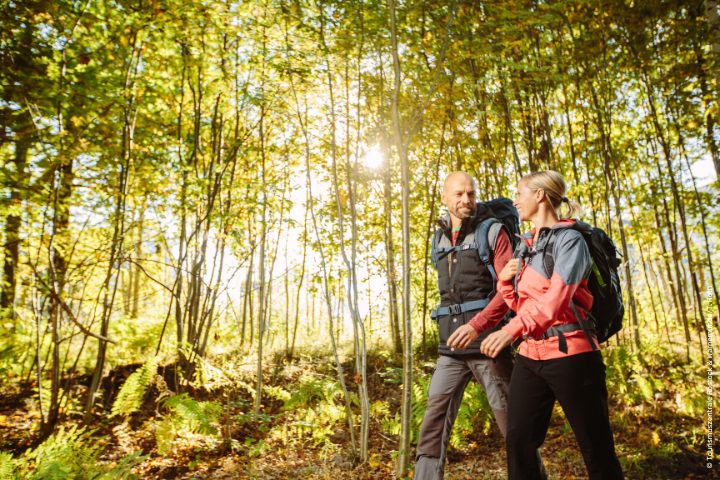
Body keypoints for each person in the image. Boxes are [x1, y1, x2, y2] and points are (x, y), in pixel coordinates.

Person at [478, 170, 624, 480]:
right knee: (519, 441)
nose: (516, 201)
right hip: (532, 358)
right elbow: (523, 304)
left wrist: (510, 330)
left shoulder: (570, 241)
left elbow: (557, 300)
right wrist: (505, 283)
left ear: (540, 195)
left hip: (574, 356)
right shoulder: (526, 245)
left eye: (521, 194)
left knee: (596, 449)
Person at [414, 171, 514, 480]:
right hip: (451, 348)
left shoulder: (493, 232)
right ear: (444, 197)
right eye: (458, 194)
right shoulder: (438, 237)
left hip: (489, 346)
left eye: (470, 193)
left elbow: (509, 292)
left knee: (512, 426)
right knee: (433, 423)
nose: (465, 199)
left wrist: (480, 326)